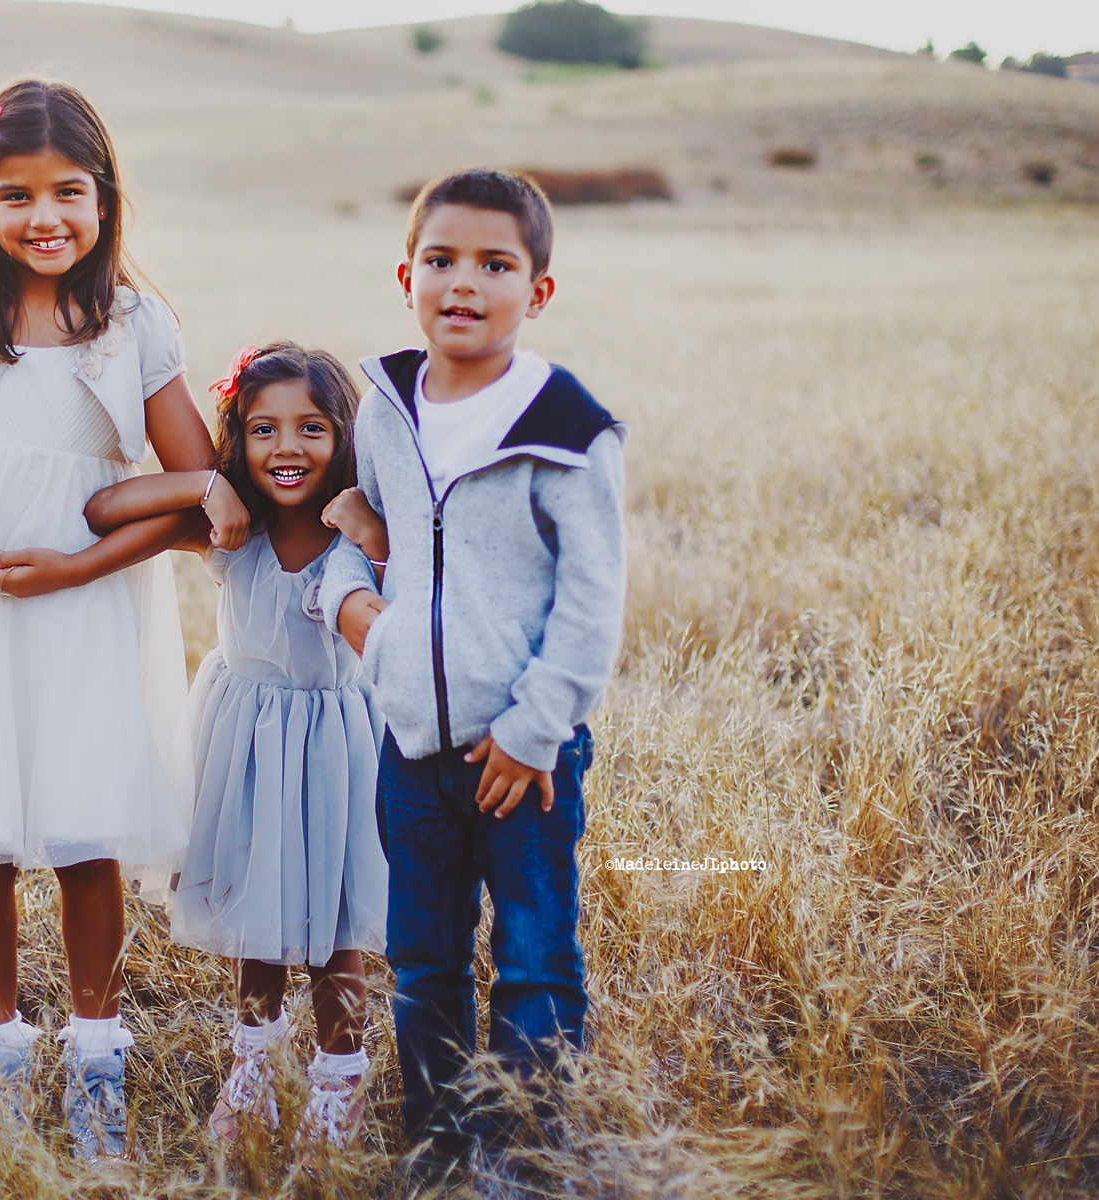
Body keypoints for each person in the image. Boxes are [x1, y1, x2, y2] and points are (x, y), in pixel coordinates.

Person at [0, 79, 251, 1163]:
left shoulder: (129, 323)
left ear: (106, 196)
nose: (43, 218)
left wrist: (82, 561)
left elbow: (204, 492)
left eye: (67, 192)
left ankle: (98, 1046)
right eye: (13, 194)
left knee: (83, 828)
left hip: (85, 609)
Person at [316, 167, 628, 1178]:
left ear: (537, 291)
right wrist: (356, 610)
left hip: (521, 758)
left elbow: (592, 603)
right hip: (410, 749)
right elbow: (359, 530)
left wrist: (535, 729)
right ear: (407, 273)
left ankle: (524, 1153)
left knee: (536, 964)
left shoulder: (568, 429)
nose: (464, 283)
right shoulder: (386, 409)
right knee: (425, 963)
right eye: (443, 261)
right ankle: (441, 1146)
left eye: (495, 265)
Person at [82, 343, 388, 1153]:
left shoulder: (357, 539)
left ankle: (338, 1078)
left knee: (333, 931)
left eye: (311, 428)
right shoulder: (234, 532)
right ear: (238, 440)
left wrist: (377, 535)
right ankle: (252, 1062)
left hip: (332, 749)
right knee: (256, 917)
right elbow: (106, 508)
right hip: (244, 744)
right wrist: (204, 487)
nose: (287, 448)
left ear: (344, 437)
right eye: (263, 430)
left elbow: (427, 583)